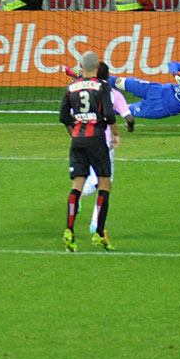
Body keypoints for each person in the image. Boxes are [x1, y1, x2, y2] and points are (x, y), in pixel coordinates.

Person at [62, 61, 134, 235]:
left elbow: (66, 115)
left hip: (81, 138)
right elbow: (128, 117)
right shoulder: (113, 94)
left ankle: (77, 199)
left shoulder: (81, 90)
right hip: (104, 142)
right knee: (103, 183)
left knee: (87, 180)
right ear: (108, 77)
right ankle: (96, 225)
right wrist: (128, 128)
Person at [59, 50, 120, 252]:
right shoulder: (102, 86)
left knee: (77, 184)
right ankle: (100, 233)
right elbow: (109, 114)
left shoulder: (71, 87)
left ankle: (69, 230)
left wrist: (74, 131)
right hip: (96, 140)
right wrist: (116, 134)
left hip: (77, 139)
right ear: (96, 67)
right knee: (105, 183)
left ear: (81, 66)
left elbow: (63, 116)